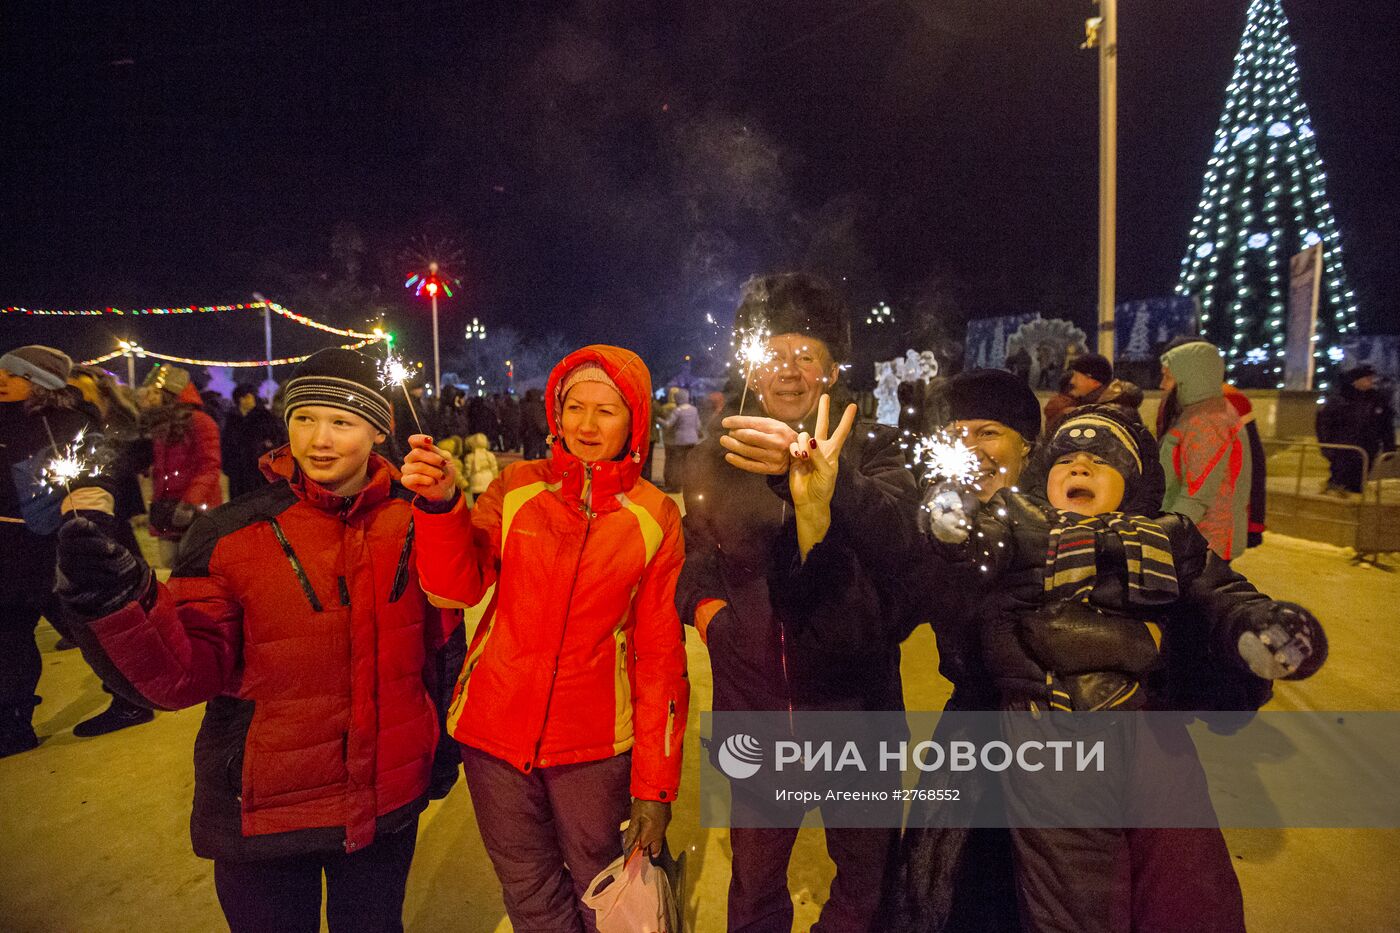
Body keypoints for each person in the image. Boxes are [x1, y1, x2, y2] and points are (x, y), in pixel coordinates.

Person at [54, 348, 455, 933]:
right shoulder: (231, 532)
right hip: (262, 812)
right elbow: (183, 672)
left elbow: (441, 651)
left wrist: (441, 755)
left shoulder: (417, 522)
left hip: (385, 800)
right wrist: (117, 601)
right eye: (303, 419)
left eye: (341, 422)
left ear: (377, 430)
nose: (319, 439)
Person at [915, 404, 1326, 933]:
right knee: (1074, 884)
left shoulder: (1167, 535)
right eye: (1067, 461)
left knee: (1184, 884)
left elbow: (1220, 596)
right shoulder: (1018, 524)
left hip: (1146, 730)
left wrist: (1250, 629)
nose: (1080, 469)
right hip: (1046, 730)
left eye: (1099, 463)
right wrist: (949, 519)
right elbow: (967, 561)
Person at [401, 344, 688, 933]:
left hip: (593, 745)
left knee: (604, 889)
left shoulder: (654, 515)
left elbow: (660, 654)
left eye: (605, 411)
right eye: (574, 407)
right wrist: (440, 507)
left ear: (634, 418)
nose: (586, 424)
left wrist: (655, 787)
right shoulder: (516, 489)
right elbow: (454, 587)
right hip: (493, 734)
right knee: (529, 889)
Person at [677, 272, 918, 932]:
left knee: (866, 882)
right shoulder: (714, 457)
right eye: (774, 354)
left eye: (806, 353)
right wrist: (712, 619)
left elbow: (901, 549)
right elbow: (694, 559)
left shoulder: (878, 449)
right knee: (753, 888)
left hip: (856, 717)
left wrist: (835, 489)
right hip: (756, 716)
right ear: (751, 366)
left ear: (832, 369)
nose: (789, 370)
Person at [893, 368, 1041, 933]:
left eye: (989, 432)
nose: (973, 448)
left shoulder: (1067, 523)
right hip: (972, 737)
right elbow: (896, 610)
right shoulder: (940, 523)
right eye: (958, 433)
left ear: (1026, 447)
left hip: (1059, 736)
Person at [0, 346, 101, 757]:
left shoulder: (64, 425)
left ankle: (131, 695)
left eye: (13, 375)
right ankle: (13, 722)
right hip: (8, 551)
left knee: (87, 627)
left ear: (39, 382)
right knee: (9, 634)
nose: (2, 380)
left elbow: (89, 481)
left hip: (48, 547)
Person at [65, 364, 157, 737]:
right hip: (86, 531)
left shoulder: (104, 431)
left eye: (83, 393)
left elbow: (121, 473)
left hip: (104, 530)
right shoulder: (70, 427)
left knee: (113, 616)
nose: (76, 399)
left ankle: (132, 698)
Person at [1156, 336, 1268, 547]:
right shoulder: (1181, 403)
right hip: (1186, 521)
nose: (1162, 385)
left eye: (1168, 375)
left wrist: (1254, 523)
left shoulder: (1220, 407)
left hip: (1206, 529)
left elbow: (1252, 463)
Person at [140, 364, 223, 568]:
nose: (149, 398)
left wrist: (189, 502)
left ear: (170, 394)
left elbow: (210, 466)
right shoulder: (159, 426)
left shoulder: (201, 422)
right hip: (166, 511)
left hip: (195, 512)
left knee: (197, 569)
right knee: (170, 567)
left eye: (154, 393)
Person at [1316, 362, 1397, 495]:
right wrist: (1326, 446)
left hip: (1368, 447)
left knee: (1359, 479)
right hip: (1343, 447)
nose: (1371, 381)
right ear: (1356, 381)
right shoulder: (1340, 399)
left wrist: (1389, 445)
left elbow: (1386, 425)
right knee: (1341, 476)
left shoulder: (1377, 399)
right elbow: (1324, 424)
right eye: (1367, 378)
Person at [221, 383, 283, 500]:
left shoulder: (264, 417)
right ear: (240, 399)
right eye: (246, 397)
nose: (250, 399)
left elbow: (275, 439)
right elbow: (226, 445)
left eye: (251, 396)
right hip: (237, 473)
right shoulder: (232, 420)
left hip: (259, 472)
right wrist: (228, 467)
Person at [1043, 353, 1113, 433]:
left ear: (1094, 382)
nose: (1072, 381)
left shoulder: (1107, 411)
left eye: (1076, 377)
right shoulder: (1088, 403)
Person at [658, 387, 700, 492]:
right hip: (692, 440)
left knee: (677, 465)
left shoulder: (678, 410)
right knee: (688, 463)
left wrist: (658, 420)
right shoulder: (694, 409)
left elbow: (668, 424)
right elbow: (698, 425)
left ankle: (675, 487)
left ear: (678, 399)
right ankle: (688, 485)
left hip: (680, 441)